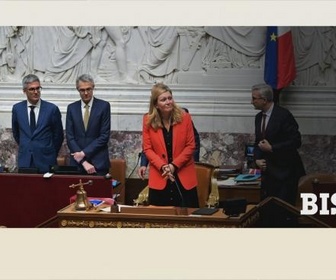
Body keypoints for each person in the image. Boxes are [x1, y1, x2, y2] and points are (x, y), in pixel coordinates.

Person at [142, 82, 199, 208]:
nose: (168, 102)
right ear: (156, 104)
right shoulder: (147, 120)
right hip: (160, 176)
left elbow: (191, 146)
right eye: (163, 100)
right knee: (159, 221)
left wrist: (173, 166)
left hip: (184, 177)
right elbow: (148, 148)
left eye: (170, 98)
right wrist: (163, 166)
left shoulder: (185, 118)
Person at [251, 83, 306, 205]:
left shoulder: (283, 115)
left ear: (264, 100)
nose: (251, 101)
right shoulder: (258, 117)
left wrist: (272, 148)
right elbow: (257, 143)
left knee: (283, 212)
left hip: (285, 173)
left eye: (254, 98)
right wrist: (257, 160)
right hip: (268, 175)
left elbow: (296, 141)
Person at [12, 74, 64, 173]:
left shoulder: (51, 109)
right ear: (24, 91)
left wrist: (49, 151)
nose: (36, 92)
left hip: (46, 160)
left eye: (38, 88)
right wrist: (28, 146)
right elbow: (16, 133)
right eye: (32, 89)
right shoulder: (17, 109)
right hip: (25, 160)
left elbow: (58, 136)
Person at [66, 74, 111, 175]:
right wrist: (83, 161)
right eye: (82, 90)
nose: (86, 93)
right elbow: (70, 137)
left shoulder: (104, 106)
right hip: (77, 164)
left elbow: (104, 136)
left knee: (99, 191)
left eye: (89, 89)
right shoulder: (71, 108)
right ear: (77, 90)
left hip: (98, 163)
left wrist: (83, 153)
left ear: (93, 87)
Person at [138, 107, 200, 179]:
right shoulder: (155, 121)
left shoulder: (185, 122)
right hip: (161, 170)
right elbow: (148, 147)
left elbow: (193, 146)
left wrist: (194, 164)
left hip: (183, 169)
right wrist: (143, 164)